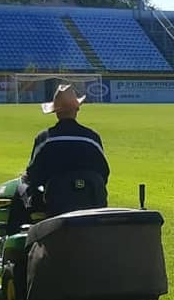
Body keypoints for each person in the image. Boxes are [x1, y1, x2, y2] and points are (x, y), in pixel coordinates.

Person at [20, 84, 109, 217]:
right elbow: (103, 172)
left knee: (22, 182)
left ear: (56, 112)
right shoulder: (92, 137)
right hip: (93, 200)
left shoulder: (45, 138)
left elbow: (34, 174)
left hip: (57, 203)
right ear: (77, 109)